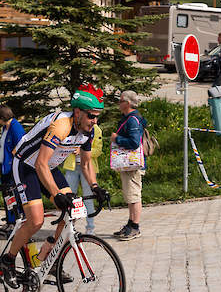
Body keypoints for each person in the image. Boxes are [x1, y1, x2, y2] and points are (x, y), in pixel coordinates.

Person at [0, 84, 109, 289]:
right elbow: (40, 163)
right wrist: (55, 193)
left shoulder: (88, 131)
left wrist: (95, 187)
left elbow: (85, 163)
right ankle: (7, 261)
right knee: (36, 221)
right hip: (26, 165)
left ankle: (48, 257)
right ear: (78, 112)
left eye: (97, 117)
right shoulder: (61, 126)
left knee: (74, 209)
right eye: (91, 116)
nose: (95, 121)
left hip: (47, 166)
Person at [110, 90, 146, 241]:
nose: (119, 103)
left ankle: (135, 227)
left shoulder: (132, 120)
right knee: (129, 196)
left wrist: (117, 139)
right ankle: (130, 224)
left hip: (133, 165)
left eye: (120, 101)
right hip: (128, 165)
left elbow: (134, 142)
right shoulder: (128, 118)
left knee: (134, 196)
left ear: (128, 103)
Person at [63, 124, 103, 235]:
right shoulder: (73, 127)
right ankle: (69, 227)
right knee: (69, 198)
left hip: (88, 168)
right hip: (72, 168)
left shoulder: (96, 130)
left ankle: (90, 228)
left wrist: (82, 151)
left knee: (88, 199)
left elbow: (98, 151)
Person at [0, 105, 25, 233]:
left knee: (13, 195)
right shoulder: (5, 127)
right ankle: (10, 221)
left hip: (13, 168)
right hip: (4, 167)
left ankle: (16, 221)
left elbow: (22, 146)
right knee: (6, 195)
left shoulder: (15, 127)